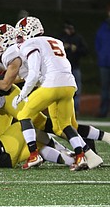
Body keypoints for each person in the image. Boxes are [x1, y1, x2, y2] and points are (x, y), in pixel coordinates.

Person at [11, 16, 101, 171]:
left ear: (28, 31)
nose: (19, 38)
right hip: (70, 85)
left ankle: (34, 155)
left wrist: (22, 94)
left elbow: (33, 74)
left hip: (52, 85)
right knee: (66, 125)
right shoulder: (56, 41)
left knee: (23, 115)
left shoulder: (30, 43)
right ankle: (80, 157)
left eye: (21, 34)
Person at [59, 20, 87, 115]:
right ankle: (63, 110)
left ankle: (75, 110)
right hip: (63, 68)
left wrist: (77, 49)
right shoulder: (62, 38)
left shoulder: (78, 38)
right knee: (62, 89)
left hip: (75, 67)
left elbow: (85, 51)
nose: (68, 30)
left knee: (76, 89)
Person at [95, 4, 110, 118]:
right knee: (105, 89)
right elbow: (98, 43)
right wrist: (101, 55)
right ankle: (103, 111)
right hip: (104, 63)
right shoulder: (103, 26)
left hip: (104, 62)